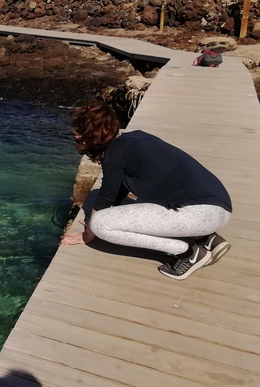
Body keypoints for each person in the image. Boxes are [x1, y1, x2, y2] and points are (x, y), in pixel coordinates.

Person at [60, 100, 232, 281]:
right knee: (120, 214)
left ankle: (188, 254)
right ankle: (206, 238)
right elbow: (118, 191)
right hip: (218, 208)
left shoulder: (114, 157)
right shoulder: (136, 138)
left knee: (100, 224)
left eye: (77, 135)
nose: (74, 138)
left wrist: (88, 235)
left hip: (200, 215)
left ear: (92, 135)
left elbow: (105, 198)